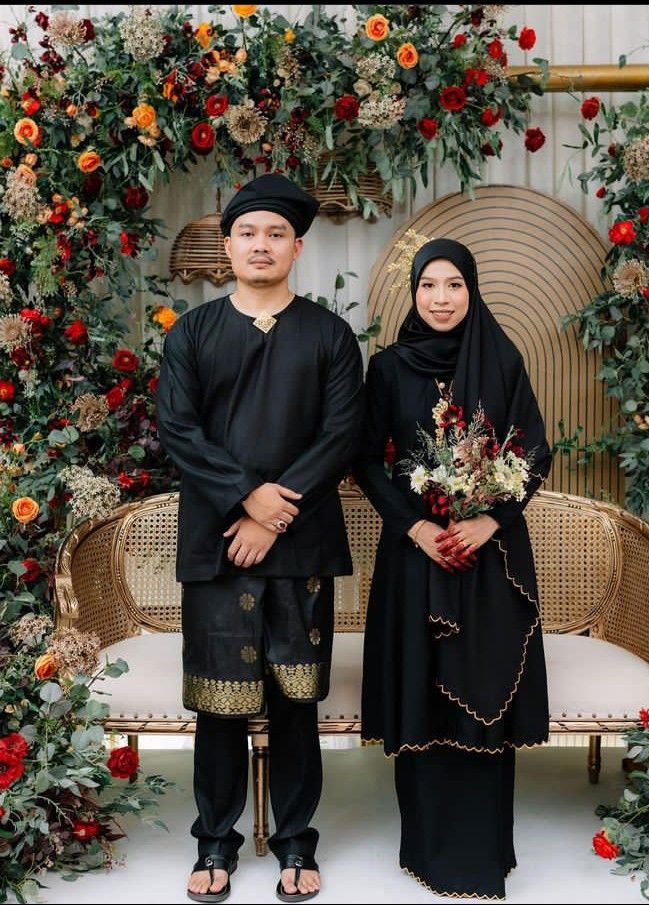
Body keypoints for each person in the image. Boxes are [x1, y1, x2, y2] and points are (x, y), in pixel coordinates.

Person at [156, 173, 364, 904]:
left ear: (297, 246)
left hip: (300, 549)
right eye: (248, 233)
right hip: (217, 546)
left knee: (294, 703)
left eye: (276, 233)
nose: (261, 245)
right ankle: (215, 841)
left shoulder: (331, 335)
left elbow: (341, 434)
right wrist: (245, 497)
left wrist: (272, 513)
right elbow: (179, 430)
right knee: (218, 704)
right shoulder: (192, 333)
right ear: (229, 243)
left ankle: (295, 843)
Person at [354, 238, 552, 898]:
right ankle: (428, 850)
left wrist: (490, 518)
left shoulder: (501, 357)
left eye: (454, 284)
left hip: (487, 560)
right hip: (418, 559)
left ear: (472, 289)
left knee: (484, 688)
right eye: (428, 285)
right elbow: (365, 459)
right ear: (413, 293)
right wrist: (415, 526)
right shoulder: (387, 368)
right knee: (424, 690)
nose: (440, 297)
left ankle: (485, 853)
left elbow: (535, 449)